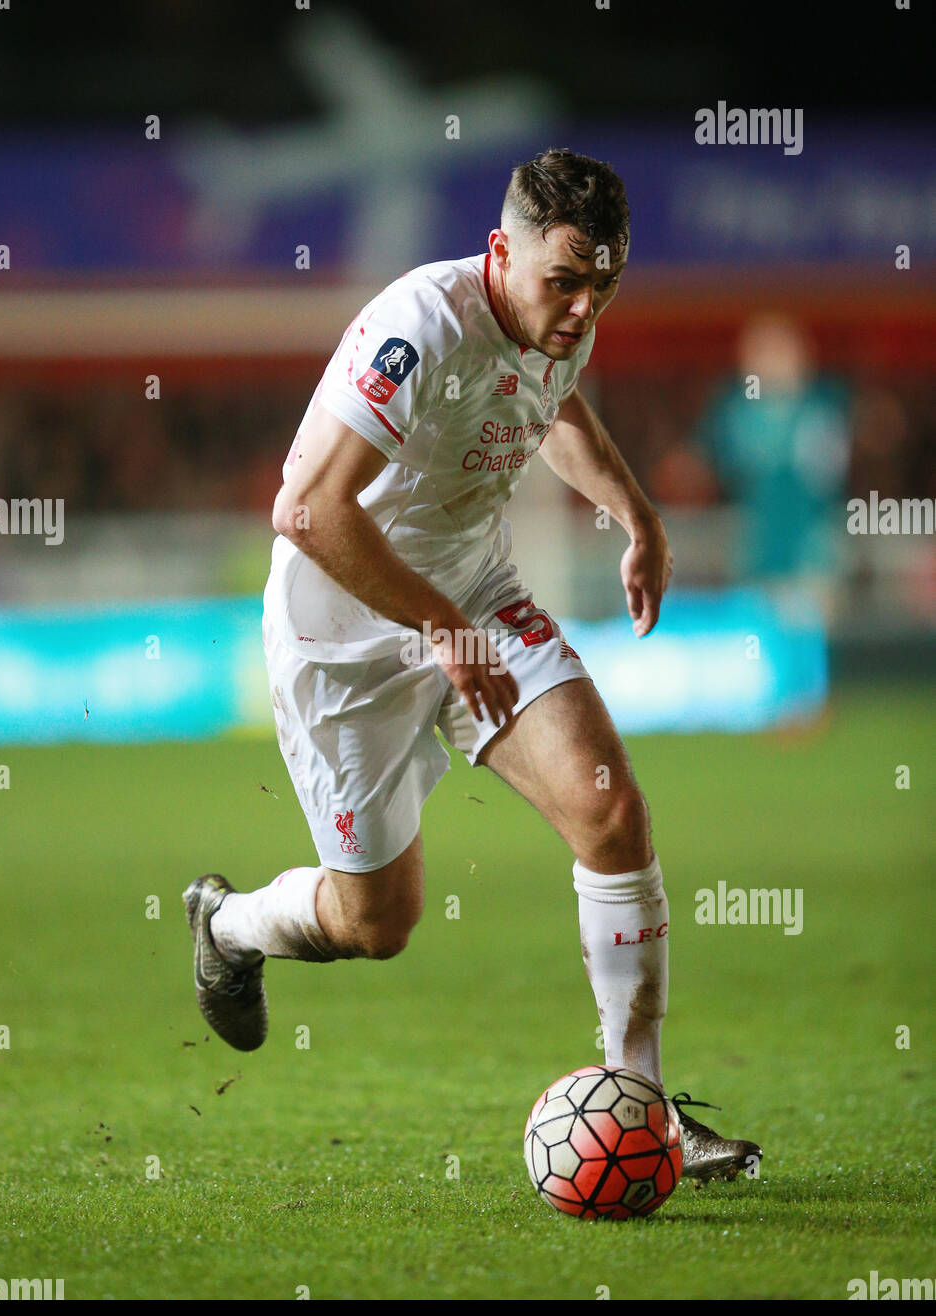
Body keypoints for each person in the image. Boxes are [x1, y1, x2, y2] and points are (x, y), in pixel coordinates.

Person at [184, 148, 760, 1181]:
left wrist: (632, 510)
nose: (583, 309)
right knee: (377, 922)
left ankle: (641, 1110)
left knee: (609, 811)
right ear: (501, 252)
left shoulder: (554, 321)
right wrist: (439, 628)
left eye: (603, 286)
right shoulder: (422, 325)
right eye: (566, 282)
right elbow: (308, 509)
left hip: (476, 600)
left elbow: (554, 407)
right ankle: (227, 925)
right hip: (344, 638)